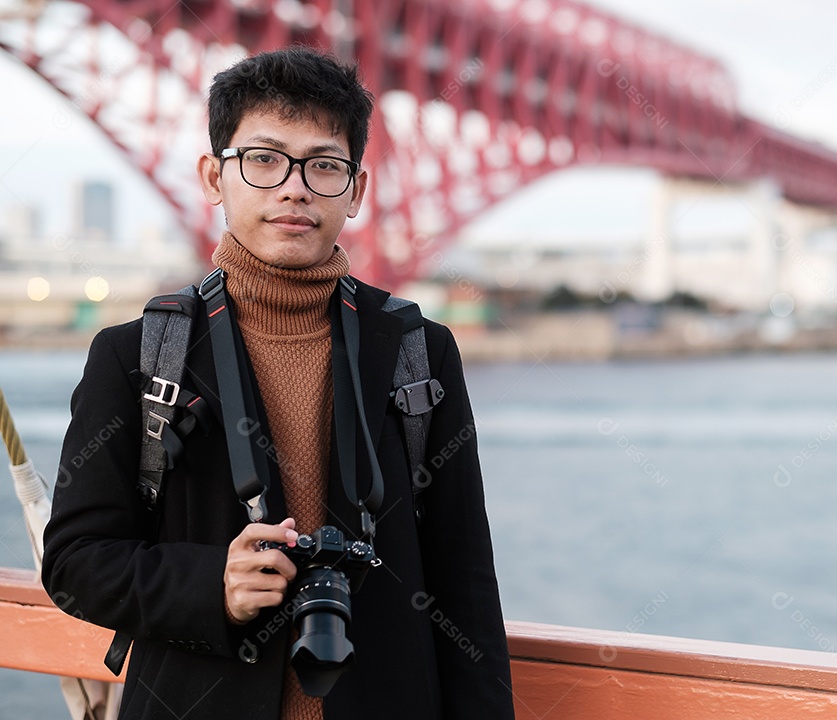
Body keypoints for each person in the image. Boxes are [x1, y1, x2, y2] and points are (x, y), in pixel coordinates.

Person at [42, 47, 515, 720]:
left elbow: (464, 581)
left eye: (324, 165)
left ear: (356, 190)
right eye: (264, 160)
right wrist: (212, 584)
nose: (294, 188)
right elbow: (73, 563)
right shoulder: (139, 356)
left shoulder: (419, 350)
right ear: (214, 176)